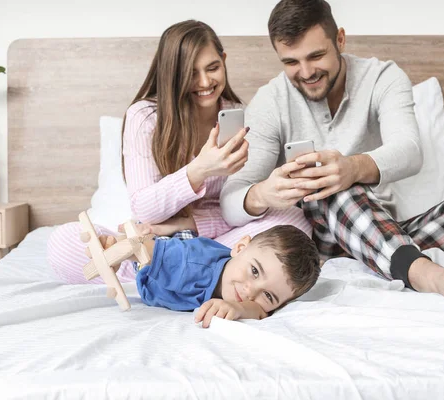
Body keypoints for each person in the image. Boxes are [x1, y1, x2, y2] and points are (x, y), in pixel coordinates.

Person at [220, 0, 444, 304]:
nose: (306, 72)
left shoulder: (382, 78)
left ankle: (376, 257)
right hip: (318, 238)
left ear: (340, 40)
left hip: (381, 226)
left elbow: (410, 150)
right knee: (328, 185)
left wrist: (353, 167)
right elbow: (230, 201)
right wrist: (262, 194)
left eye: (316, 56)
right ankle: (427, 275)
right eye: (291, 62)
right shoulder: (270, 101)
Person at [47, 20, 312, 284]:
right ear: (171, 74)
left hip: (212, 239)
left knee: (293, 221)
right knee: (66, 242)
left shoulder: (239, 116)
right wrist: (200, 170)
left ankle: (164, 277)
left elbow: (234, 207)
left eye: (213, 68)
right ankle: (199, 276)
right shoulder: (145, 117)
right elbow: (146, 210)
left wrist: (188, 225)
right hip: (151, 240)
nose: (205, 82)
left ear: (224, 60)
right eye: (191, 73)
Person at [96, 225, 320, 328]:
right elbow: (146, 251)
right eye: (254, 271)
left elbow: (259, 311)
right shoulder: (191, 264)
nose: (251, 291)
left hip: (194, 249)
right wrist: (115, 248)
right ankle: (160, 228)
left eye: (269, 295)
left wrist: (240, 309)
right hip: (160, 263)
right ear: (240, 246)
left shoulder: (255, 303)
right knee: (160, 249)